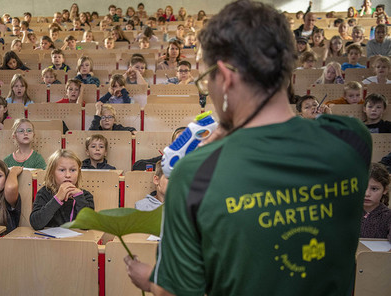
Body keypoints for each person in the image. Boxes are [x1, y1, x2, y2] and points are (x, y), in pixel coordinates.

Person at [124, 1, 372, 295]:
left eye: (206, 81)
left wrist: (152, 280)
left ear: (226, 78)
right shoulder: (352, 140)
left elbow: (175, 292)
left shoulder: (194, 175)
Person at [30, 149, 94, 230]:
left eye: (73, 170)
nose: (68, 175)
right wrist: (57, 198)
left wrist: (79, 198)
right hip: (50, 241)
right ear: (52, 173)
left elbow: (87, 226)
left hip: (77, 241)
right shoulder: (44, 193)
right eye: (62, 170)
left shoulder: (85, 196)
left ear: (79, 173)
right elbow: (36, 224)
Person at [361, 163, 391, 238]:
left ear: (385, 190)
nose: (367, 194)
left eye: (374, 189)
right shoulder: (347, 213)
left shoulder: (388, 216)